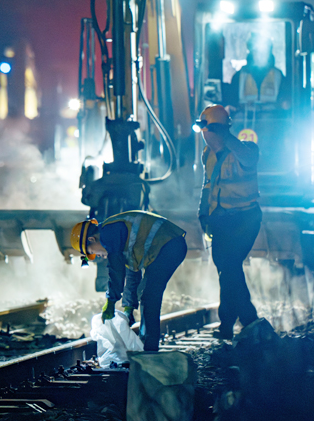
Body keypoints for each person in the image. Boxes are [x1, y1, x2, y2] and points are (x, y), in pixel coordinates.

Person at [70, 211, 187, 351]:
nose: (98, 255)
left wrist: (111, 301)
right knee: (147, 294)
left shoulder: (109, 233)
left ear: (92, 239)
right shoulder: (118, 236)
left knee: (149, 296)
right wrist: (128, 307)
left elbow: (116, 271)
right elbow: (132, 272)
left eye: (92, 251)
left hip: (169, 245)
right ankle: (147, 347)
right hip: (169, 246)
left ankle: (149, 350)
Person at [195, 104, 261, 339]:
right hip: (221, 220)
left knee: (230, 266)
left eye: (208, 130)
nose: (205, 135)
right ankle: (229, 326)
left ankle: (248, 320)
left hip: (245, 219)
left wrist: (225, 135)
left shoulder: (247, 150)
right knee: (226, 269)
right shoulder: (208, 154)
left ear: (220, 130)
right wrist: (203, 212)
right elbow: (208, 183)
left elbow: (248, 158)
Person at [228, 33, 289, 109]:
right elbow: (231, 103)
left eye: (264, 51)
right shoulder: (238, 77)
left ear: (269, 52)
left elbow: (286, 102)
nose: (260, 54)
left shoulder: (278, 76)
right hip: (244, 120)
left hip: (273, 119)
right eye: (256, 51)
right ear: (251, 52)